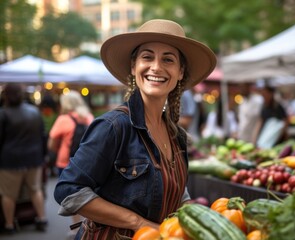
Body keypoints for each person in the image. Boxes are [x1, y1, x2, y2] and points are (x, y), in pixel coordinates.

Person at [53, 19, 217, 239]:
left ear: (180, 72)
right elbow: (68, 190)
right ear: (133, 67)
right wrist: (139, 223)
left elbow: (177, 194)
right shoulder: (113, 127)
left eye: (168, 59)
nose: (156, 67)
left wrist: (204, 220)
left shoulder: (176, 136)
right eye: (147, 57)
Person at [0, 83, 48, 234]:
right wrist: (43, 155)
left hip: (10, 160)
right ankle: (41, 218)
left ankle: (9, 225)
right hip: (34, 158)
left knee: (8, 194)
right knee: (35, 189)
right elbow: (43, 135)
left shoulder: (3, 113)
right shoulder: (34, 111)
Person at [47, 90, 94, 237]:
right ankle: (91, 225)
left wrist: (60, 148)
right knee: (90, 194)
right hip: (88, 163)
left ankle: (75, 228)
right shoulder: (88, 117)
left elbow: (51, 143)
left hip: (66, 162)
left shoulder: (63, 119)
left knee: (71, 196)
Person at [253, 84, 288, 148]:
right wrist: (254, 139)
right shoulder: (264, 108)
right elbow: (260, 123)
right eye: (262, 95)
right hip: (265, 142)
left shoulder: (278, 107)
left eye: (265, 94)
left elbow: (285, 123)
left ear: (271, 94)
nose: (264, 96)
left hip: (278, 143)